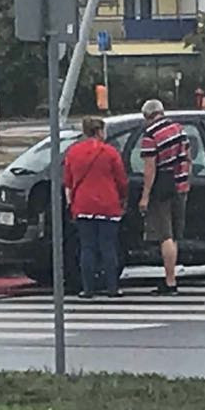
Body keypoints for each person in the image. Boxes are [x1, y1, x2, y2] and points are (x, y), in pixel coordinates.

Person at [63, 116, 128, 298]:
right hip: (108, 204)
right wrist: (123, 198)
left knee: (87, 247)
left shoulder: (73, 152)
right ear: (99, 131)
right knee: (108, 247)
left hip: (83, 205)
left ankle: (87, 288)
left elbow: (68, 181)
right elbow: (121, 180)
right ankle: (112, 287)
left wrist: (71, 203)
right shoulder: (110, 152)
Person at [138, 99, 191, 295]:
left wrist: (145, 196)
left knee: (164, 235)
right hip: (181, 185)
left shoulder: (150, 135)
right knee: (175, 235)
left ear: (147, 116)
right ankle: (172, 277)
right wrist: (186, 180)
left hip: (162, 190)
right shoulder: (179, 129)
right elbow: (188, 157)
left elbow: (149, 169)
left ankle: (170, 281)